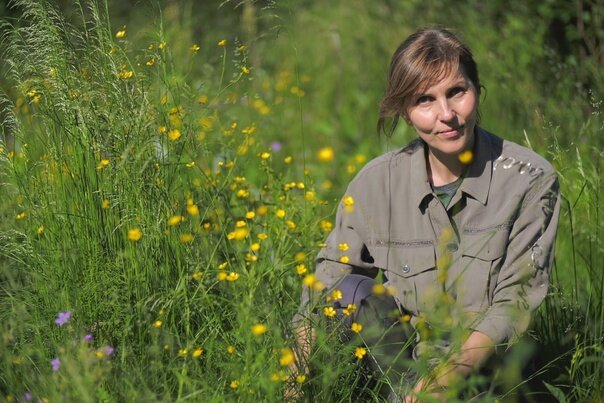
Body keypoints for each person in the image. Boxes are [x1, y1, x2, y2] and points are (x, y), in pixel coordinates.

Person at [290, 27, 561, 401]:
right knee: (350, 288)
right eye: (425, 100)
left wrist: (443, 381)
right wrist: (292, 382)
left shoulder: (528, 180)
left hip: (489, 374)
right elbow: (326, 283)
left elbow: (513, 305)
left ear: (477, 89)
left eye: (457, 92)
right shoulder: (375, 183)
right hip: (401, 370)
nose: (446, 114)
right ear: (405, 110)